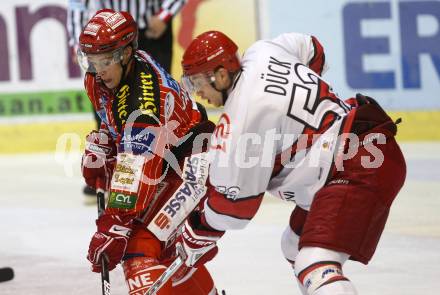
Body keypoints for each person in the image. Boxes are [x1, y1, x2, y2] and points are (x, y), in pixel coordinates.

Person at [176, 31, 407, 294]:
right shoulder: (263, 51)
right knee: (294, 245)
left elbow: (234, 210)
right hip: (364, 143)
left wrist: (199, 227)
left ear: (220, 75)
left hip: (356, 165)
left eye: (197, 83)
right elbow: (312, 48)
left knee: (315, 262)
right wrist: (305, 111)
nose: (198, 94)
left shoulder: (238, 123)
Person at [78, 10, 218, 294]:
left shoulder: (141, 104)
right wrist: (106, 146)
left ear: (127, 53)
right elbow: (123, 138)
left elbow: (136, 172)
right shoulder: (105, 77)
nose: (98, 69)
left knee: (139, 246)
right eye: (91, 60)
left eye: (105, 60)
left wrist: (114, 225)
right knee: (166, 252)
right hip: (167, 161)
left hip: (192, 165)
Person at [68, 0, 187, 197]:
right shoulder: (93, 77)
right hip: (104, 41)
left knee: (151, 106)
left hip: (151, 30)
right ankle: (117, 172)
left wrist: (165, 14)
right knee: (110, 109)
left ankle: (159, 170)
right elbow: (77, 4)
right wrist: (79, 45)